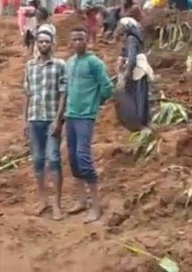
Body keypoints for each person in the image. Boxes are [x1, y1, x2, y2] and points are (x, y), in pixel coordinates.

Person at [61, 28, 114, 222]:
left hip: (86, 116)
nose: (77, 43)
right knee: (74, 158)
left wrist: (96, 102)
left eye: (81, 39)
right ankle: (81, 200)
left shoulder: (94, 63)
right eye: (74, 39)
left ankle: (96, 205)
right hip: (71, 115)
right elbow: (66, 89)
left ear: (87, 41)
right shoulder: (70, 62)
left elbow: (107, 87)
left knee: (83, 157)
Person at [23, 27, 67, 221]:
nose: (43, 45)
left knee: (54, 158)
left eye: (46, 42)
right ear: (36, 44)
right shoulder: (30, 66)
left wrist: (59, 118)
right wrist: (24, 120)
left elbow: (63, 93)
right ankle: (43, 200)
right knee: (38, 159)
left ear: (52, 44)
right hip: (34, 118)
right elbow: (27, 94)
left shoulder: (59, 65)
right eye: (40, 42)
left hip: (51, 119)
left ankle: (57, 204)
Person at [114, 18, 153, 133]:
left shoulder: (131, 39)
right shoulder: (128, 40)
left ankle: (140, 123)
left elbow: (132, 59)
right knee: (137, 96)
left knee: (138, 97)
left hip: (138, 71)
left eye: (121, 26)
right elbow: (123, 55)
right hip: (134, 71)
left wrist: (126, 74)